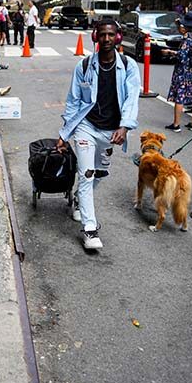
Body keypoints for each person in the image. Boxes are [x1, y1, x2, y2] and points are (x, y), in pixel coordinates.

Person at [57, 19, 140, 250]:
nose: (106, 39)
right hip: (86, 127)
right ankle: (90, 229)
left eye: (111, 35)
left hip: (112, 132)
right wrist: (65, 134)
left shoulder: (129, 66)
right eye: (102, 35)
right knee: (87, 174)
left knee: (100, 173)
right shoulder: (83, 66)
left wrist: (125, 126)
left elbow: (132, 100)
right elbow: (74, 102)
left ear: (118, 38)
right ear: (95, 37)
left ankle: (77, 200)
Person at [164, 11, 192, 132]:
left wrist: (170, 52)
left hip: (184, 71)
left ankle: (176, 125)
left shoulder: (187, 38)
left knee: (180, 97)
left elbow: (182, 57)